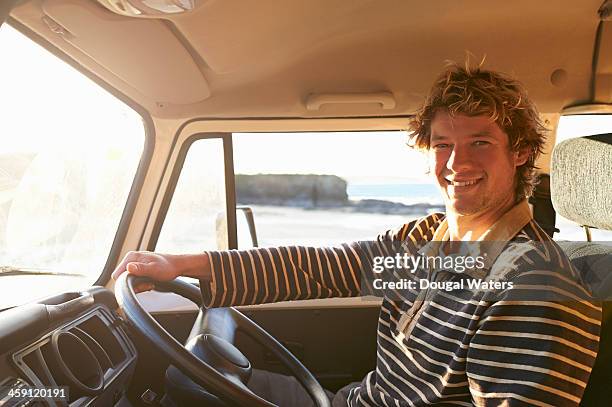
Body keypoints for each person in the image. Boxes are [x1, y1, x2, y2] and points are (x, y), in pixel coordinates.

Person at [113, 62, 601, 406]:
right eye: (443, 144)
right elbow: (334, 266)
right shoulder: (431, 238)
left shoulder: (536, 285)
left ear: (519, 153)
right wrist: (183, 265)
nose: (457, 164)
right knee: (189, 382)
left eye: (480, 142)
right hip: (353, 400)